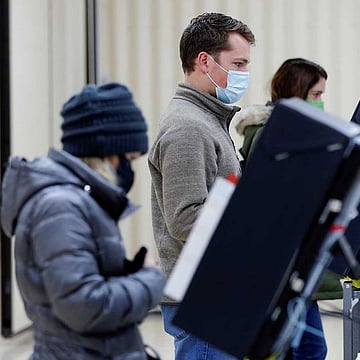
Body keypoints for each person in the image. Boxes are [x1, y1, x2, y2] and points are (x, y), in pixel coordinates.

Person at [0, 82, 165, 359]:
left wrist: (127, 272)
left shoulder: (76, 200)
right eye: (128, 158)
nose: (129, 169)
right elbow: (83, 306)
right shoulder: (60, 207)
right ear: (104, 152)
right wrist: (150, 281)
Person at [148, 12, 255, 360]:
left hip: (217, 293)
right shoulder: (188, 128)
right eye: (237, 63)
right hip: (204, 300)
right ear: (204, 61)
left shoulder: (209, 120)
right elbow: (186, 219)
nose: (244, 74)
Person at [233, 58, 334, 360]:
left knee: (305, 348)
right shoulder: (276, 134)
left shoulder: (291, 131)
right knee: (306, 350)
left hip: (289, 262)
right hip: (278, 263)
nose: (320, 102)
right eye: (316, 95)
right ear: (296, 91)